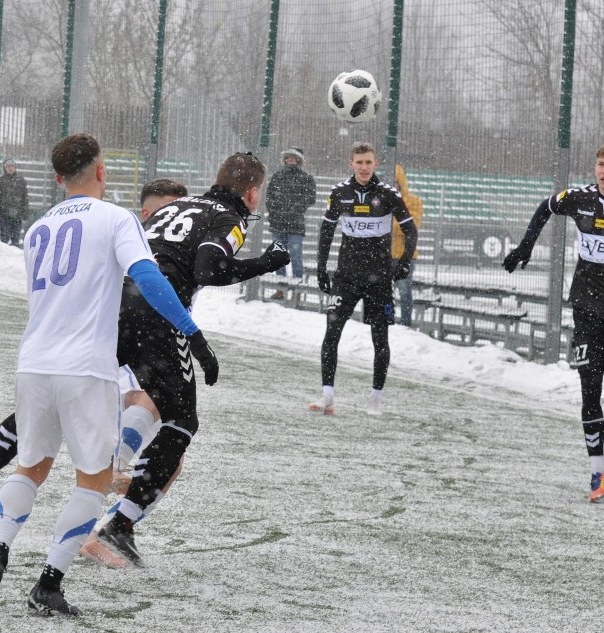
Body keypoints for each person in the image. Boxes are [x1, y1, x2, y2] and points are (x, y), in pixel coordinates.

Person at [0, 135, 219, 617]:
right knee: (94, 480)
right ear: (100, 171)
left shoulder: (37, 228)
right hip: (85, 368)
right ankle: (48, 584)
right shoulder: (116, 218)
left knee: (32, 467)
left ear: (59, 178)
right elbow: (147, 278)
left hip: (34, 362)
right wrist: (193, 332)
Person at [0, 178, 190, 566]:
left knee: (35, 455)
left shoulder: (45, 224)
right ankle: (71, 562)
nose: (181, 218)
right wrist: (192, 332)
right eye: (171, 210)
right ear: (148, 212)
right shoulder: (123, 232)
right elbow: (143, 283)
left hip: (45, 353)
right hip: (103, 349)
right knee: (137, 430)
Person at [95, 152, 290, 566]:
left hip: (115, 303)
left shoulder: (179, 205)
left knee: (85, 390)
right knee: (183, 420)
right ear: (253, 193)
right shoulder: (230, 216)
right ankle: (118, 525)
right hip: (157, 312)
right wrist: (267, 262)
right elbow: (210, 268)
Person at [503, 141, 604, 503]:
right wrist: (526, 246)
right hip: (587, 309)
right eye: (601, 164)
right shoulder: (580, 198)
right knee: (590, 390)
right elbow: (546, 207)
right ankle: (597, 473)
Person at [310, 142, 417, 416]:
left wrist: (403, 263)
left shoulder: (388, 194)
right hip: (346, 277)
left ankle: (375, 399)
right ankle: (327, 395)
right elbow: (326, 230)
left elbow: (410, 230)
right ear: (351, 164)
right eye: (359, 162)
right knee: (331, 334)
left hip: (379, 279)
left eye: (368, 162)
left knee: (380, 340)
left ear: (376, 163)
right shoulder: (339, 193)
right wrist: (322, 268)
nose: (364, 167)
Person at [265, 147, 317, 300]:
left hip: (296, 225)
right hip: (278, 224)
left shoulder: (306, 178)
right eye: (288, 158)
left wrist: (295, 208)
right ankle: (281, 290)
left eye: (294, 158)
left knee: (296, 257)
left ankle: (297, 291)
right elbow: (269, 198)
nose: (290, 160)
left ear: (299, 160)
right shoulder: (277, 176)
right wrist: (275, 213)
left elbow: (311, 198)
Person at [391, 165, 424, 327]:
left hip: (405, 256)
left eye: (394, 182)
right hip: (386, 255)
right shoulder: (382, 200)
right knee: (384, 293)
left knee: (404, 292)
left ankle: (405, 324)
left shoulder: (413, 201)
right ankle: (386, 321)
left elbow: (412, 226)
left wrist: (390, 224)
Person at [0, 157, 29, 247]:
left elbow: (25, 197)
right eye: (8, 166)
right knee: (4, 239)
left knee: (15, 240)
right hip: (4, 215)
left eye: (12, 166)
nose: (10, 168)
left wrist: (25, 211)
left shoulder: (21, 181)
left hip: (17, 215)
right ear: (4, 168)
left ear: (15, 167)